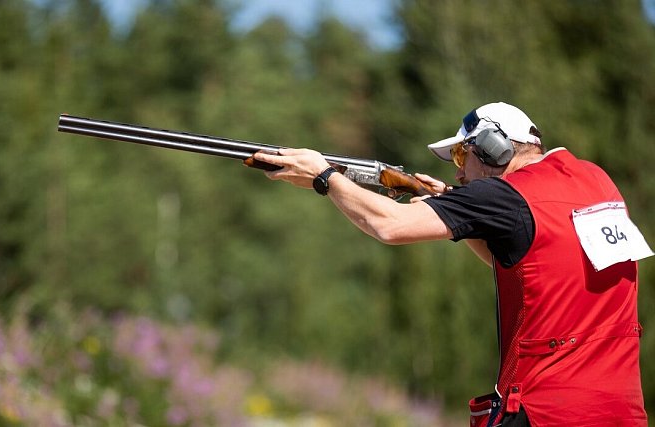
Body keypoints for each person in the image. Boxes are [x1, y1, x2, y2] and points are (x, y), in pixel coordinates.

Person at [252, 102, 650, 426]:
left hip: (545, 412)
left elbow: (387, 225)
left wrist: (324, 176)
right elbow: (527, 261)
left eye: (462, 154)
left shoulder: (502, 197)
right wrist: (463, 214)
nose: (458, 172)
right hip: (621, 409)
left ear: (494, 148)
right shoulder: (595, 181)